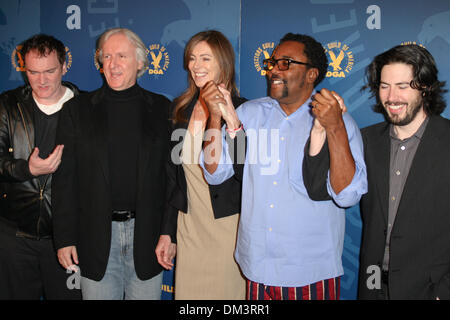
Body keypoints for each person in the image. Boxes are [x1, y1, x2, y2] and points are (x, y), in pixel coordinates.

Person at [200, 33, 367, 300]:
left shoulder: (338, 121)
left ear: (311, 74)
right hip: (257, 264)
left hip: (309, 270)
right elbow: (215, 172)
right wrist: (215, 115)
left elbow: (347, 196)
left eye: (286, 63)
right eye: (272, 63)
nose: (273, 71)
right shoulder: (249, 114)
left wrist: (334, 127)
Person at [52, 28, 171, 300]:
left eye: (122, 56)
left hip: (148, 237)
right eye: (107, 56)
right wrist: (65, 238)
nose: (113, 64)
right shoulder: (76, 110)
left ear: (141, 62)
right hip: (94, 237)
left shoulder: (163, 109)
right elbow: (64, 180)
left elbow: (172, 179)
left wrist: (168, 233)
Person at [155, 30, 246, 300]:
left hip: (229, 230)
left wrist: (230, 121)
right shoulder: (180, 110)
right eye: (192, 59)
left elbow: (245, 167)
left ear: (224, 63)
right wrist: (167, 233)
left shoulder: (244, 110)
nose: (196, 66)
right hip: (189, 230)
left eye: (205, 58)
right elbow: (173, 179)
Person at [357, 44, 450, 299]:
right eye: (384, 86)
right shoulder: (365, 141)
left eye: (403, 86)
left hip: (430, 290)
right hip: (373, 286)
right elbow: (319, 186)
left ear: (426, 87)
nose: (391, 97)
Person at [0, 34, 81, 299]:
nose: (42, 80)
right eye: (33, 72)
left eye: (50, 71)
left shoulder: (86, 108)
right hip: (14, 237)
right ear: (23, 68)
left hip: (67, 239)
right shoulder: (7, 105)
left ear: (65, 66)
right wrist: (28, 170)